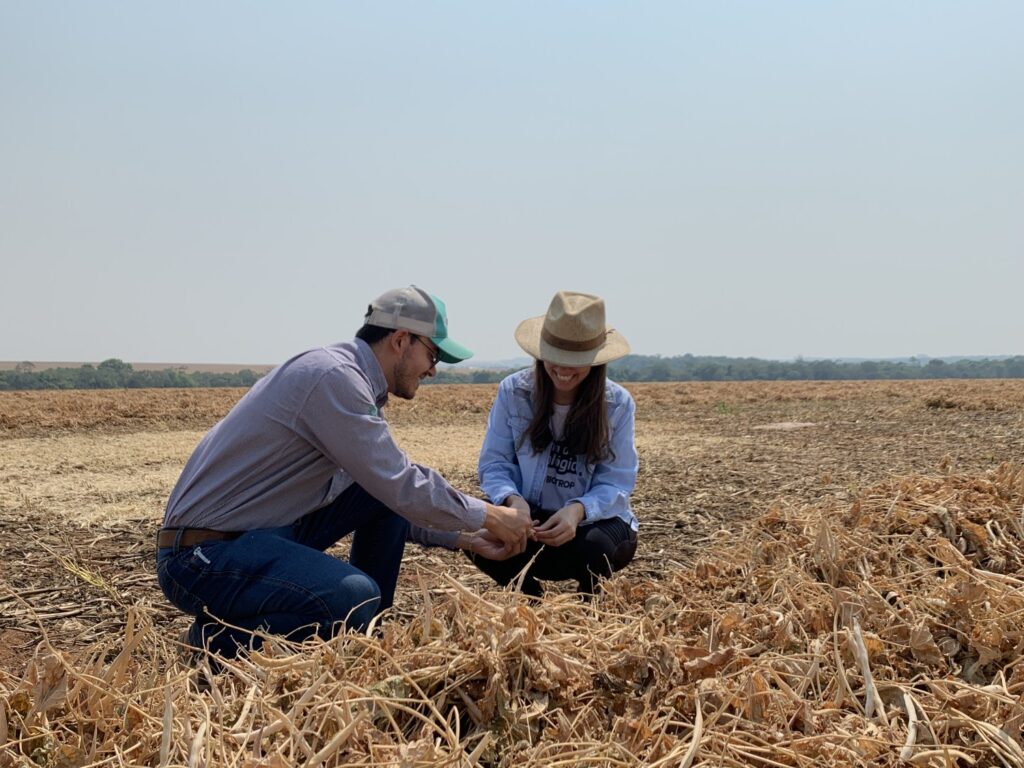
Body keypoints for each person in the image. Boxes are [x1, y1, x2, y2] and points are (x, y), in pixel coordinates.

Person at [156, 286, 530, 658]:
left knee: (374, 502)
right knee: (355, 597)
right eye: (433, 354)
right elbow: (402, 484)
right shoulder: (334, 378)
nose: (433, 369)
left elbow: (386, 493)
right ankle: (215, 642)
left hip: (255, 538)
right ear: (401, 340)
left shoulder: (351, 382)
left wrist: (465, 539)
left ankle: (365, 638)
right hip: (202, 557)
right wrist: (491, 514)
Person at [469, 291, 639, 597]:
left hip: (588, 526)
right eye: (554, 357)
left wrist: (577, 510)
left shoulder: (617, 404)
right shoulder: (514, 392)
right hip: (531, 523)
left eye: (575, 361)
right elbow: (495, 464)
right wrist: (512, 502)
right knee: (475, 532)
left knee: (596, 548)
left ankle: (590, 599)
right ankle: (530, 599)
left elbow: (617, 481)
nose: (562, 368)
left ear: (595, 361)